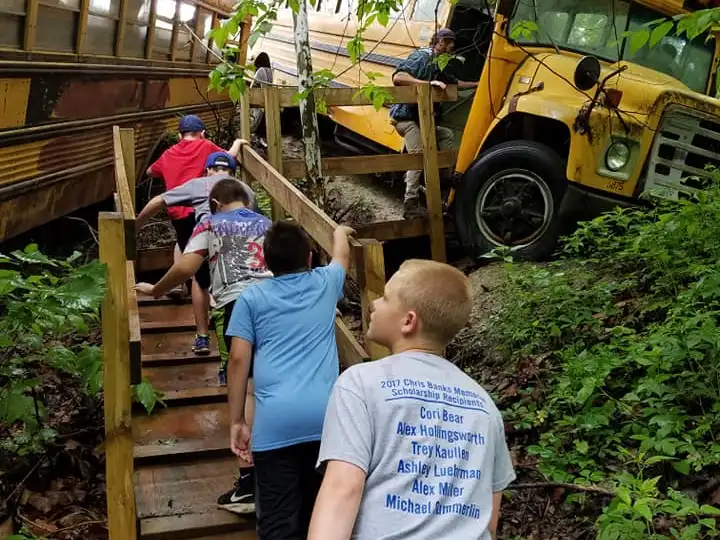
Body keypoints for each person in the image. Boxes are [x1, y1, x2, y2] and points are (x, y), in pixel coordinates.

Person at [308, 259, 516, 540]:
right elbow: (489, 515)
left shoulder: (361, 383)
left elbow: (342, 489)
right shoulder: (483, 403)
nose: (374, 304)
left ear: (408, 321)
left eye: (385, 297)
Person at [135, 178, 273, 515]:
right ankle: (278, 472)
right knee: (271, 385)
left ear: (213, 203)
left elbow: (186, 265)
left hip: (240, 307)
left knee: (247, 388)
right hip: (278, 306)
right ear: (248, 201)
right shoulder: (268, 224)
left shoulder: (209, 221)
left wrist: (155, 290)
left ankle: (249, 481)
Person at [224, 221, 355, 539]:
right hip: (327, 421)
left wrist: (238, 420)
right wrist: (339, 233)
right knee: (321, 515)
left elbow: (239, 359)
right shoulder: (325, 283)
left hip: (275, 425)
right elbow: (341, 258)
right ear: (309, 258)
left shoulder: (251, 299)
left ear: (266, 263)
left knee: (279, 522)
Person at [137, 150, 256, 360]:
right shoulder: (247, 191)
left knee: (200, 282)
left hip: (207, 247)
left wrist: (135, 226)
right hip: (241, 260)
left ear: (208, 169)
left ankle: (202, 336)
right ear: (233, 173)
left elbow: (158, 201)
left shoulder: (199, 185)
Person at [389, 28, 478, 218]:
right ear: (441, 42)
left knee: (446, 135)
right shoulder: (422, 57)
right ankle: (410, 203)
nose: (453, 46)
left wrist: (478, 84)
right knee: (418, 155)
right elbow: (398, 77)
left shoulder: (439, 64)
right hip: (406, 119)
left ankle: (444, 177)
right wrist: (427, 84)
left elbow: (455, 84)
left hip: (424, 121)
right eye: (450, 42)